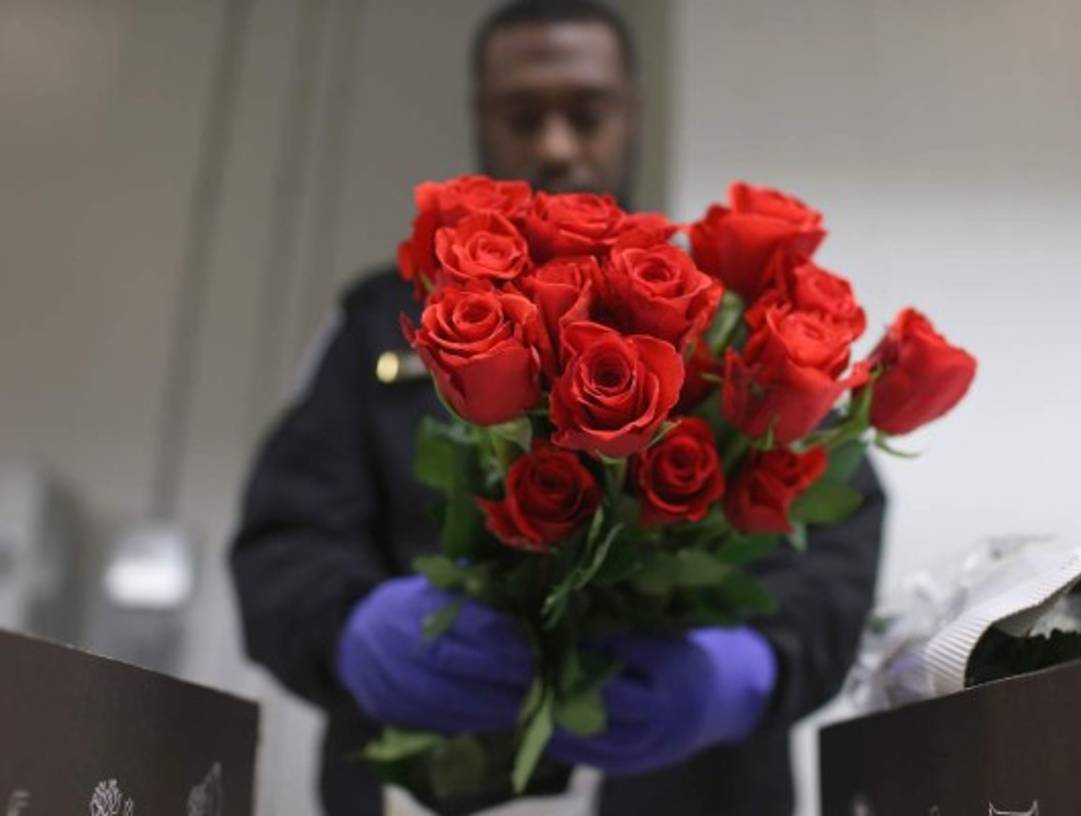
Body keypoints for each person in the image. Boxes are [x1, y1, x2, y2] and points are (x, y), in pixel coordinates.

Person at [228, 2, 885, 815]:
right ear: (479, 121)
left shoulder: (731, 322)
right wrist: (352, 634)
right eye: (521, 116)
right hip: (423, 791)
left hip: (691, 790)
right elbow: (283, 542)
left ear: (632, 114)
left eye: (586, 113)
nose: (555, 146)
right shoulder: (379, 320)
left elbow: (835, 527)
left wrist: (750, 670)